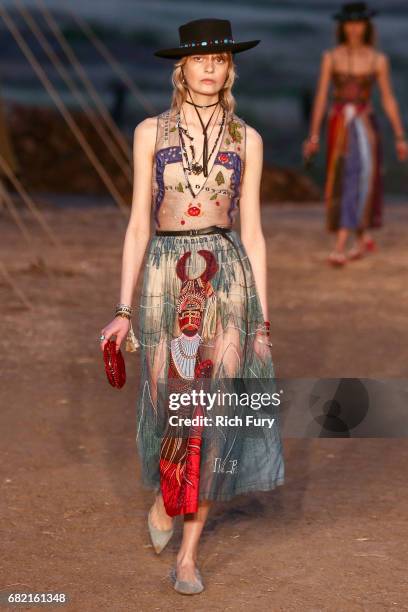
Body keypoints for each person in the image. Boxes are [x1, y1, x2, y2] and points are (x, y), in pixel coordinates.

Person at [99, 18, 285, 595]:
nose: (211, 65)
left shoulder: (246, 138)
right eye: (201, 58)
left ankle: (188, 554)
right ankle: (165, 493)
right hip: (164, 273)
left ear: (230, 69)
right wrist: (123, 310)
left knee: (215, 409)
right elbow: (136, 225)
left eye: (222, 58)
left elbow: (253, 233)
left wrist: (262, 321)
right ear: (182, 68)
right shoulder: (149, 132)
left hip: (227, 277)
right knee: (168, 406)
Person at [303, 2, 408, 266]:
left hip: (365, 126)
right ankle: (362, 237)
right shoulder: (332, 57)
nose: (354, 28)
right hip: (338, 125)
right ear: (342, 26)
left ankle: (342, 243)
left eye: (359, 22)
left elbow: (388, 100)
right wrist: (313, 136)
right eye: (349, 23)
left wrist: (399, 136)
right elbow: (320, 98)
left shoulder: (377, 59)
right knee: (344, 176)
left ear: (367, 26)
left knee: (360, 176)